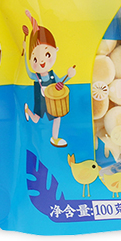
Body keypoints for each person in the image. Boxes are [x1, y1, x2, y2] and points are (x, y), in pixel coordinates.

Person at [22, 10, 75, 147]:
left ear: (55, 50)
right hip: (41, 101)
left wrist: (69, 75)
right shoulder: (36, 76)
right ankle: (27, 110)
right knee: (36, 119)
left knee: (57, 117)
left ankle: (54, 138)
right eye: (35, 59)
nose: (41, 61)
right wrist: (25, 54)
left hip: (52, 101)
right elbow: (28, 72)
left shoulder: (52, 74)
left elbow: (60, 82)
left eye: (47, 54)